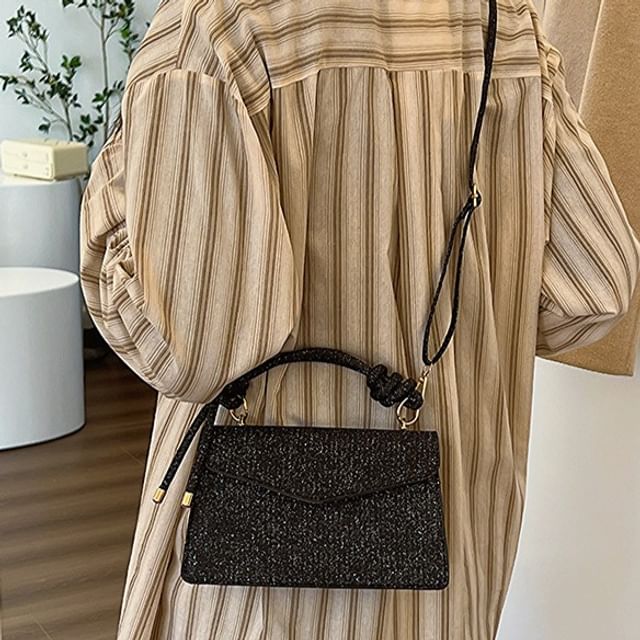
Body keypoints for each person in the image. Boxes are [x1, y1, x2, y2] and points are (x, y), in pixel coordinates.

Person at [78, 0, 640, 638]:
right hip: (450, 553)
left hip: (256, 590)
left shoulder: (216, 28)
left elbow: (196, 346)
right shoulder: (505, 28)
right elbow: (593, 287)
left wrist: (119, 193)